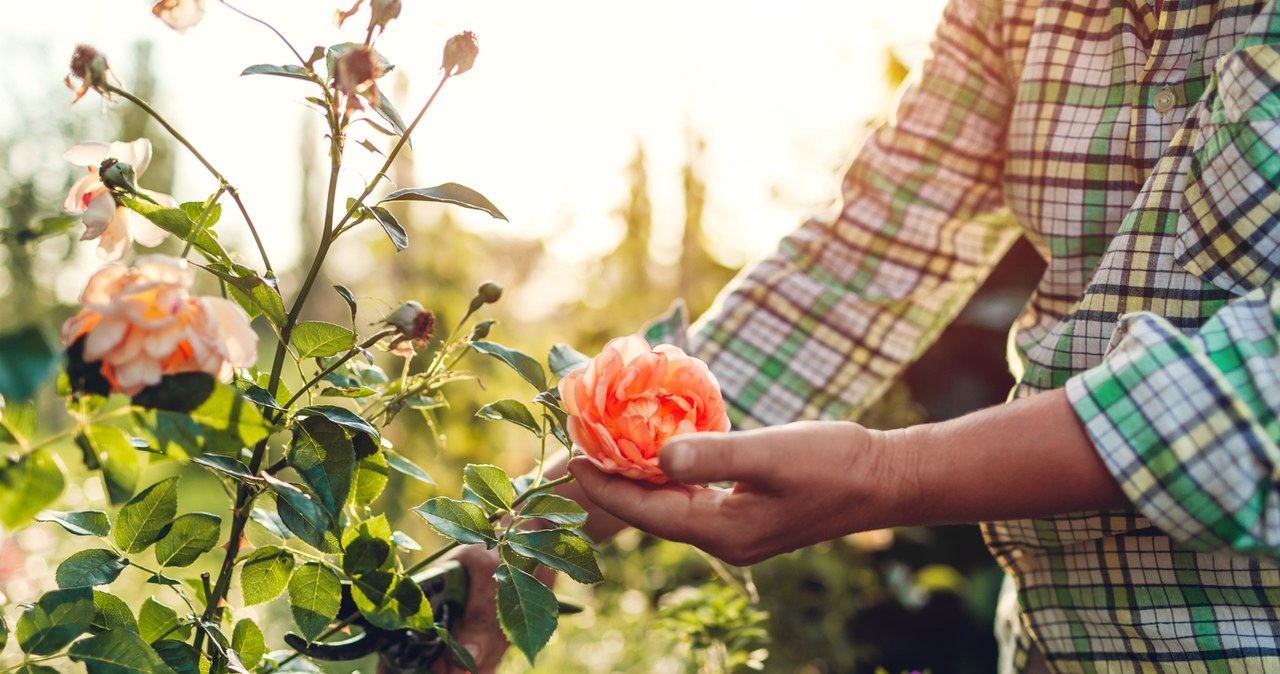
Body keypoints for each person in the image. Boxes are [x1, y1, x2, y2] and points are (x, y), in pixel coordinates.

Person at [436, 0, 1280, 671]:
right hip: (1056, 648)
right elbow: (873, 252)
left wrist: (891, 475)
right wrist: (536, 524)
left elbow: (1256, 383)